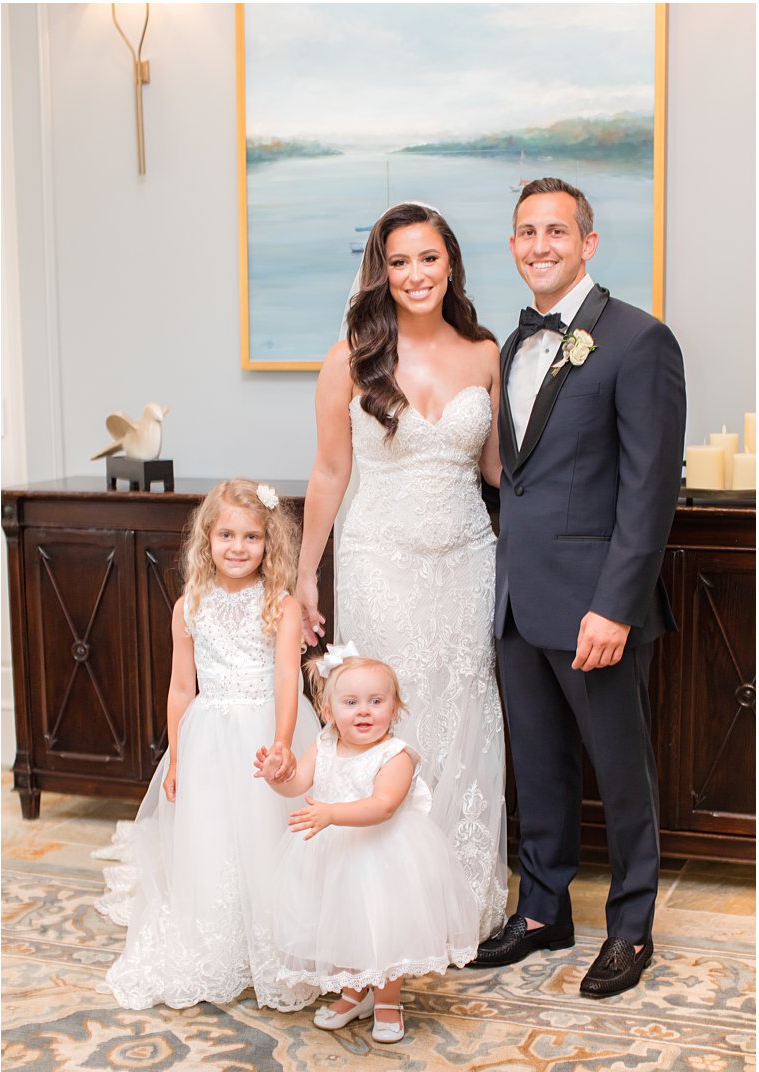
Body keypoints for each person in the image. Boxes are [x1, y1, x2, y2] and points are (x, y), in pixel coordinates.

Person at [471, 178, 685, 998]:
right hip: (519, 600)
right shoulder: (509, 347)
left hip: (595, 603)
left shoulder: (638, 340)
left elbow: (649, 486)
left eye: (556, 230)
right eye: (525, 231)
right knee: (539, 763)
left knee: (620, 768)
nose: (539, 245)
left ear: (588, 242)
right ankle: (542, 909)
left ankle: (631, 926)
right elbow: (514, 478)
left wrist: (616, 604)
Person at [295, 201, 508, 940]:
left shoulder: (485, 353)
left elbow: (498, 470)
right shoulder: (349, 358)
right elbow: (327, 473)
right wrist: (304, 577)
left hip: (466, 562)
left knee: (462, 715)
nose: (416, 274)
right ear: (381, 272)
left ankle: (459, 899)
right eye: (399, 261)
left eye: (428, 258)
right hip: (378, 561)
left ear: (450, 263)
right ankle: (386, 912)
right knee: (386, 721)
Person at [95, 479, 320, 1011]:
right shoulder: (188, 606)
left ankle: (273, 941)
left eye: (251, 537)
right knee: (212, 837)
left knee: (268, 835)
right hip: (207, 737)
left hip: (264, 733)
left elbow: (289, 679)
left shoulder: (281, 607)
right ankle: (219, 943)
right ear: (207, 539)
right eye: (226, 535)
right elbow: (180, 687)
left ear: (270, 545)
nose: (238, 547)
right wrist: (175, 757)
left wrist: (283, 744)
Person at [263, 648, 480, 1043]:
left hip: (383, 857)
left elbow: (383, 807)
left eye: (376, 702)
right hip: (334, 856)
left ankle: (386, 1000)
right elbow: (297, 785)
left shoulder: (396, 756)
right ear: (328, 712)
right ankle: (353, 992)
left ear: (395, 709)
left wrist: (330, 814)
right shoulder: (325, 744)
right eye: (350, 702)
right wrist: (276, 777)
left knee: (384, 927)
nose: (363, 711)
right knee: (342, 924)